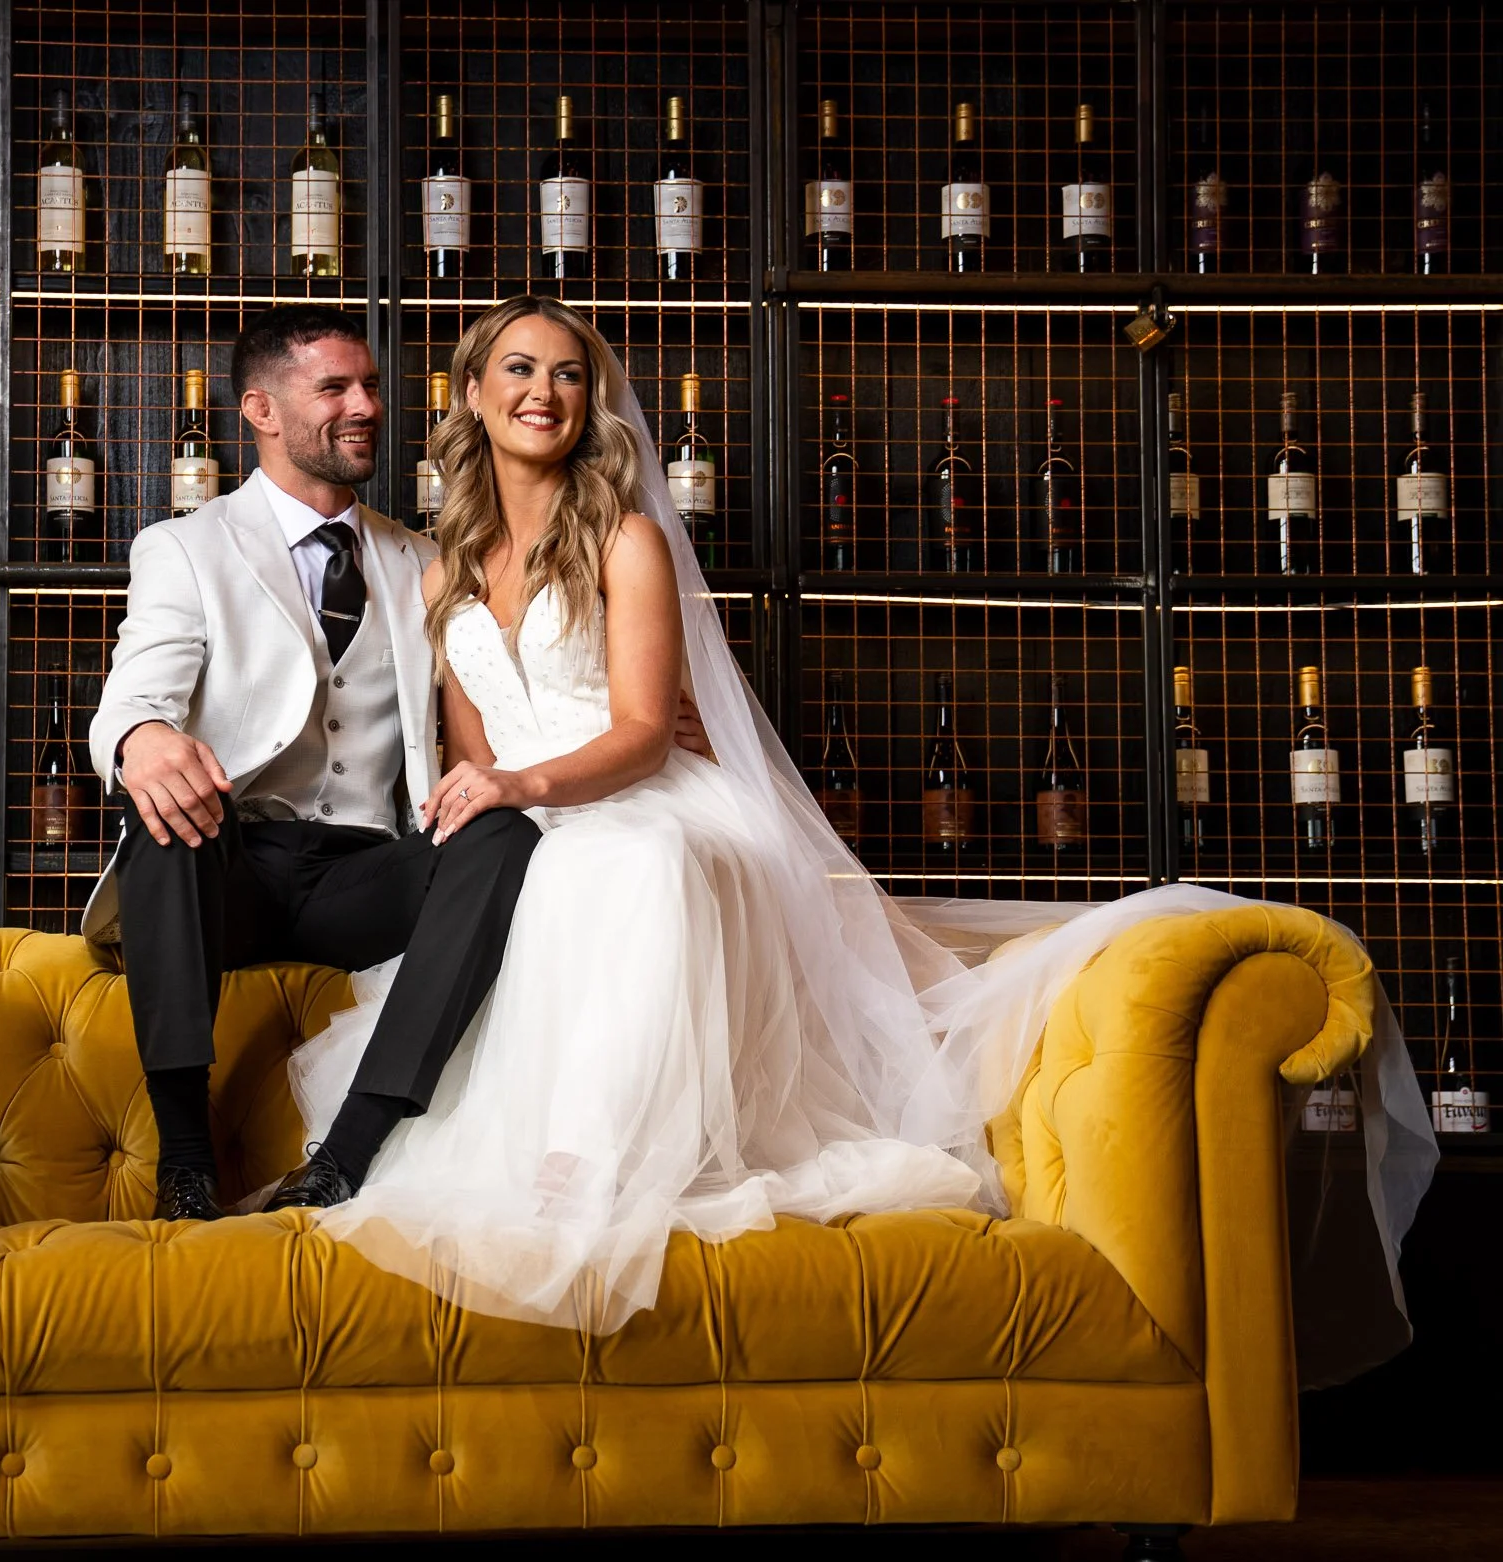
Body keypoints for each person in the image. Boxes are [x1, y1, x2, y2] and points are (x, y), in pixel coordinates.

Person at [287, 295, 1439, 1347]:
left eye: (570, 374)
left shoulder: (622, 539)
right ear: (473, 395)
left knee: (631, 861)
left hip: (637, 797)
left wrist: (527, 789)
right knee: (510, 877)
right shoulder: (443, 569)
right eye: (518, 368)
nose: (544, 390)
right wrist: (483, 794)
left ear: (591, 404)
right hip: (524, 814)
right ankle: (463, 1139)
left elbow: (643, 729)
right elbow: (474, 737)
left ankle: (581, 1166)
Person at [84, 304, 711, 1223]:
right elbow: (138, 689)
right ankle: (184, 1157)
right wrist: (141, 740)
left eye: (371, 386)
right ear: (261, 409)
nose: (366, 406)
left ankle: (349, 1153)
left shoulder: (429, 562)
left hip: (368, 873)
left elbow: (488, 735)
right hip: (238, 870)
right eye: (334, 389)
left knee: (500, 837)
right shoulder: (185, 548)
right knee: (167, 815)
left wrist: (651, 726)